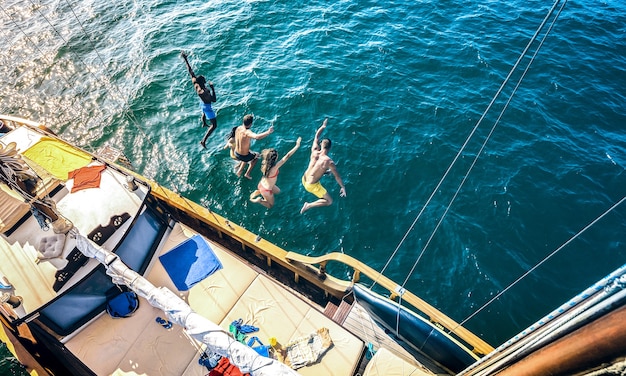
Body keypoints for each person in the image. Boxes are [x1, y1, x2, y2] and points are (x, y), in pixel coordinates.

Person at [300, 118, 346, 214]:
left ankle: (325, 172)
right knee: (329, 201)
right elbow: (337, 176)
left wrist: (323, 126)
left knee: (323, 170)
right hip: (311, 185)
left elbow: (316, 136)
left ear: (321, 145)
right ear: (330, 148)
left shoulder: (315, 150)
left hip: (304, 178)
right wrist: (343, 187)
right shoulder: (329, 162)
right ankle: (308, 205)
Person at [250, 137, 302, 209]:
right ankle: (259, 201)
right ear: (275, 158)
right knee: (271, 205)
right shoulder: (274, 168)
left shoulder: (265, 163)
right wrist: (297, 145)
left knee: (278, 192)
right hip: (266, 190)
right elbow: (287, 156)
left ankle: (259, 191)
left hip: (262, 184)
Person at [181, 51, 217, 148]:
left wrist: (185, 59)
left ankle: (204, 123)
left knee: (203, 112)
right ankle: (203, 140)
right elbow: (214, 100)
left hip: (202, 103)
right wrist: (212, 88)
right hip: (207, 106)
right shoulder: (204, 92)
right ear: (203, 82)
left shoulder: (196, 84)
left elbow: (190, 71)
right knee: (214, 125)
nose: (205, 81)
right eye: (205, 81)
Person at [234, 114, 274, 179]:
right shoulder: (247, 132)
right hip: (243, 156)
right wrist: (268, 132)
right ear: (250, 124)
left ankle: (239, 169)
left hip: (236, 152)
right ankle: (247, 173)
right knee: (257, 156)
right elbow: (257, 137)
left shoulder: (238, 128)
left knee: (248, 154)